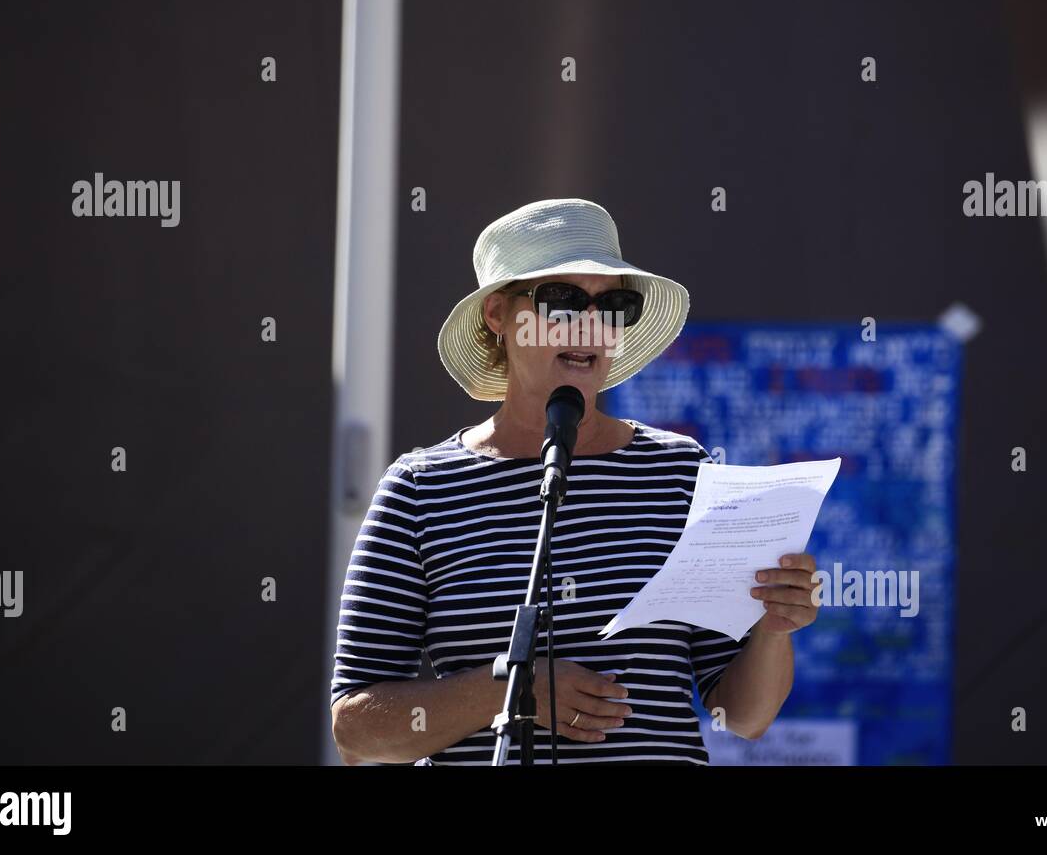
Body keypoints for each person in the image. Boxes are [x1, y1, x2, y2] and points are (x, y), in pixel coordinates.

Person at [329, 198, 817, 765]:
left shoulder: (683, 472)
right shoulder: (420, 489)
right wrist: (513, 691)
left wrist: (775, 629)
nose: (592, 324)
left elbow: (743, 715)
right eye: (561, 301)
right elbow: (357, 731)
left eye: (613, 304)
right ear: (496, 316)